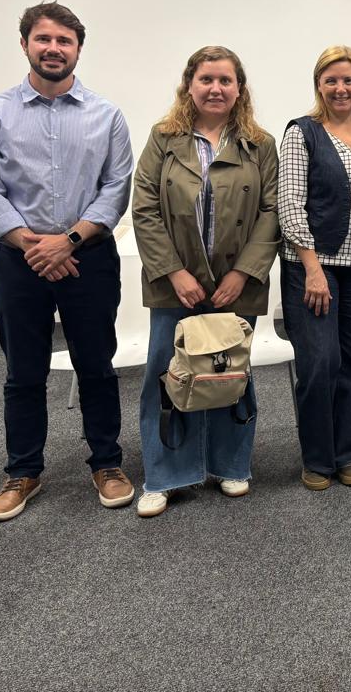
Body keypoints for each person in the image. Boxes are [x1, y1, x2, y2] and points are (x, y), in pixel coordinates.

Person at [0, 1, 134, 521]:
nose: (53, 48)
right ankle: (23, 472)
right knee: (23, 372)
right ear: (25, 44)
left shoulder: (106, 116)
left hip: (89, 258)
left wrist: (68, 241)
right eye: (44, 39)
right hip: (18, 263)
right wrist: (37, 246)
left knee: (97, 366)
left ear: (78, 49)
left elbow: (116, 188)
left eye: (64, 41)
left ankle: (107, 463)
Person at [130, 46, 279, 517]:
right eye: (206, 79)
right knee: (169, 375)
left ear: (239, 89)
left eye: (225, 80)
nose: (216, 88)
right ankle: (164, 475)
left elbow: (272, 211)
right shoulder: (164, 138)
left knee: (229, 372)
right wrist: (174, 272)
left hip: (236, 285)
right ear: (189, 85)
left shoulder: (259, 143)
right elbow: (144, 208)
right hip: (174, 284)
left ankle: (231, 465)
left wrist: (243, 273)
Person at [279, 45, 351, 491]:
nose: (341, 88)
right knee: (320, 362)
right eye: (331, 80)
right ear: (319, 86)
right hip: (314, 264)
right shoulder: (302, 132)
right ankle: (317, 458)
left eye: (349, 80)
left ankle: (350, 454)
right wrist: (311, 267)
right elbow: (289, 204)